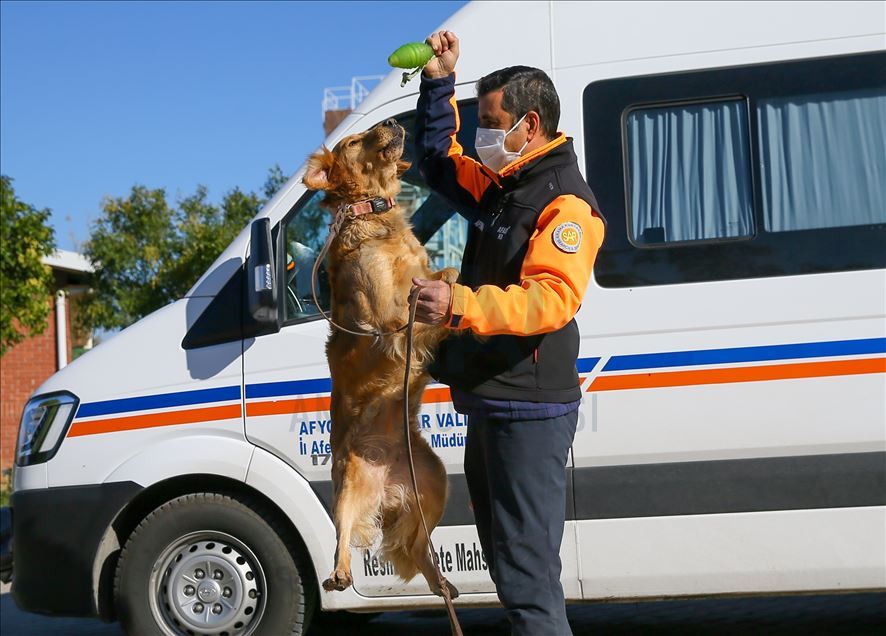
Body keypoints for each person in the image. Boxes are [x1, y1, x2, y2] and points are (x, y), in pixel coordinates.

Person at [410, 30, 606, 636]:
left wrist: (459, 304)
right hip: (493, 399)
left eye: (490, 123)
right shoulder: (504, 187)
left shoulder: (565, 204)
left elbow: (550, 300)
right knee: (506, 565)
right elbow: (439, 161)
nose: (481, 136)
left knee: (526, 578)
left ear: (528, 124)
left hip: (529, 408)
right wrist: (440, 81)